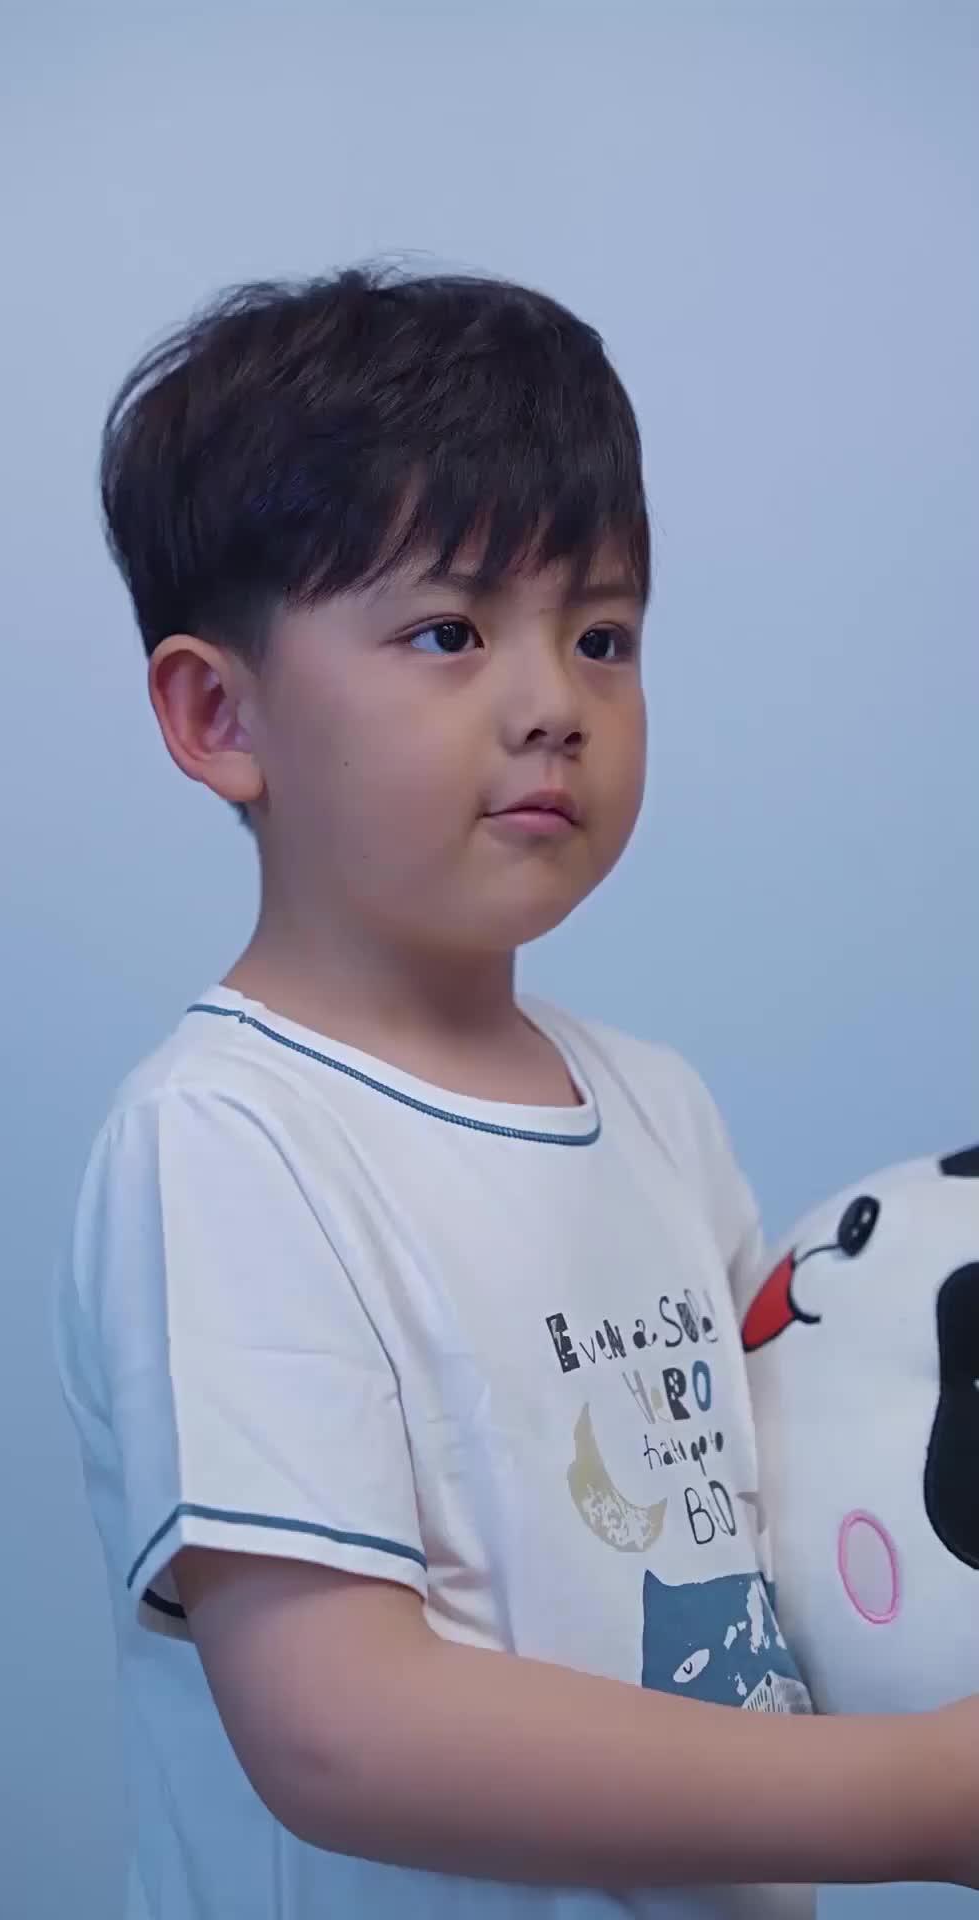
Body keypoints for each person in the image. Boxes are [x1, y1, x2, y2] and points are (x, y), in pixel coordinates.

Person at [53, 265, 978, 1920]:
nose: (555, 703)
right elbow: (340, 1731)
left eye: (602, 635)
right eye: (451, 633)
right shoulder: (229, 1143)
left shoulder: (657, 1106)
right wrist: (915, 1797)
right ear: (218, 712)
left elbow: (787, 1555)